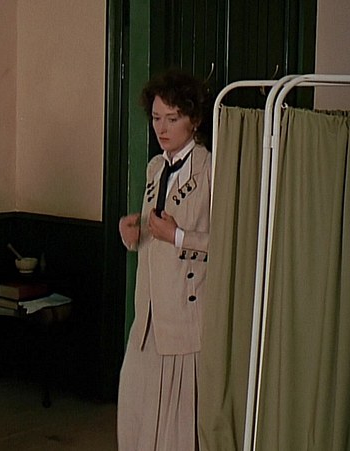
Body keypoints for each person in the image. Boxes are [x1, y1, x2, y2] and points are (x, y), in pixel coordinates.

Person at [116, 69, 211, 450]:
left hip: (185, 319)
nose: (162, 128)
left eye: (172, 118)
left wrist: (179, 236)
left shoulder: (211, 170)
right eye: (156, 118)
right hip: (148, 315)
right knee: (136, 414)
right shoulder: (155, 167)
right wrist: (133, 234)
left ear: (194, 120)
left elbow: (231, 245)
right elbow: (152, 232)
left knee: (177, 429)